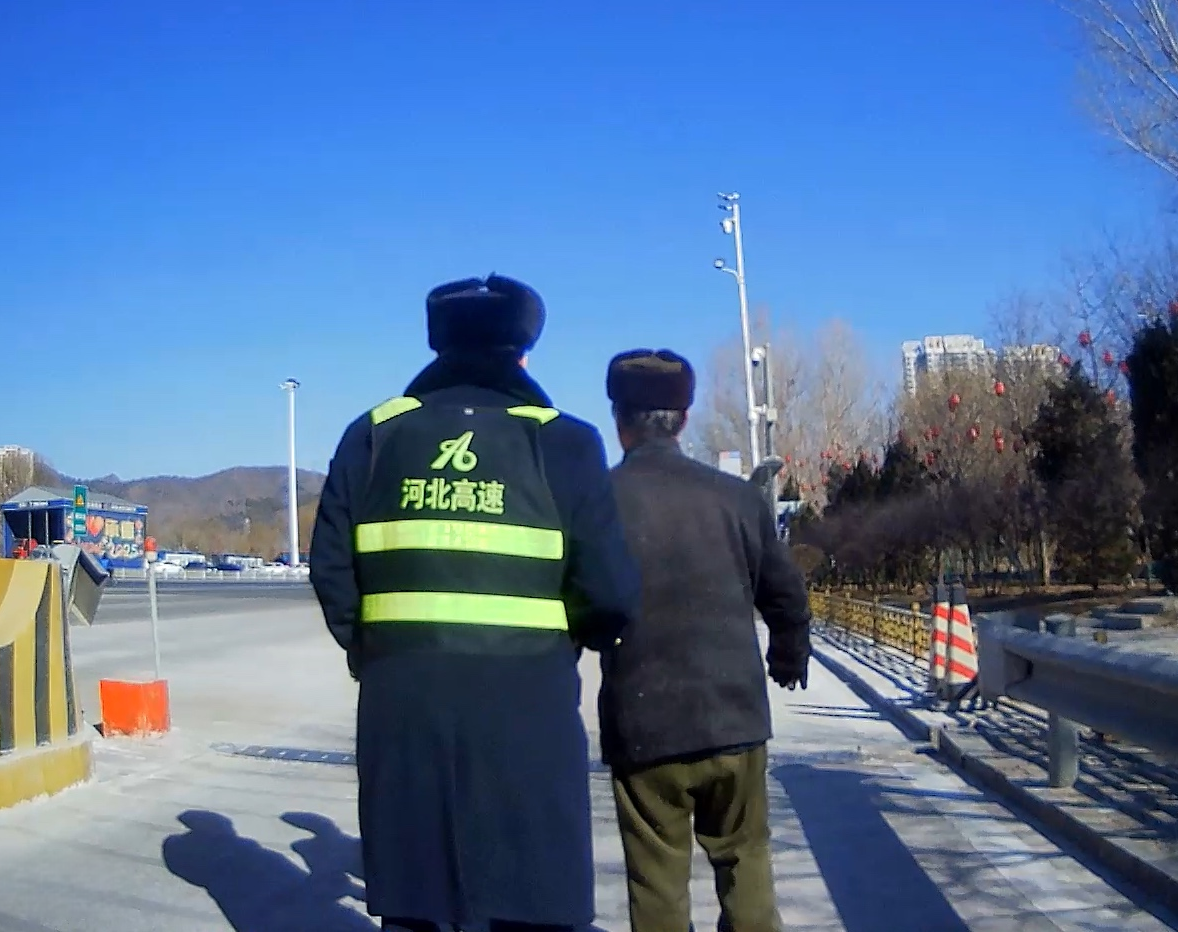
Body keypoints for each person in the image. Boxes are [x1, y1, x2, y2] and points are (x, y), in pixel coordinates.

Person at [308, 274, 641, 932]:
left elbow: (331, 569)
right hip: (529, 708)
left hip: (402, 705)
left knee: (418, 898)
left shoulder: (373, 436)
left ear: (437, 345)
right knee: (529, 897)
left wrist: (375, 648)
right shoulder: (565, 442)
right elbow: (610, 593)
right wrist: (571, 638)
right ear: (522, 353)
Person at [598, 348, 812, 932]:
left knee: (656, 883)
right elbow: (786, 594)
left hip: (643, 727)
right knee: (746, 862)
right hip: (733, 719)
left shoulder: (597, 502)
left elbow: (581, 605)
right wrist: (788, 656)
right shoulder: (736, 498)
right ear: (684, 419)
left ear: (618, 418)